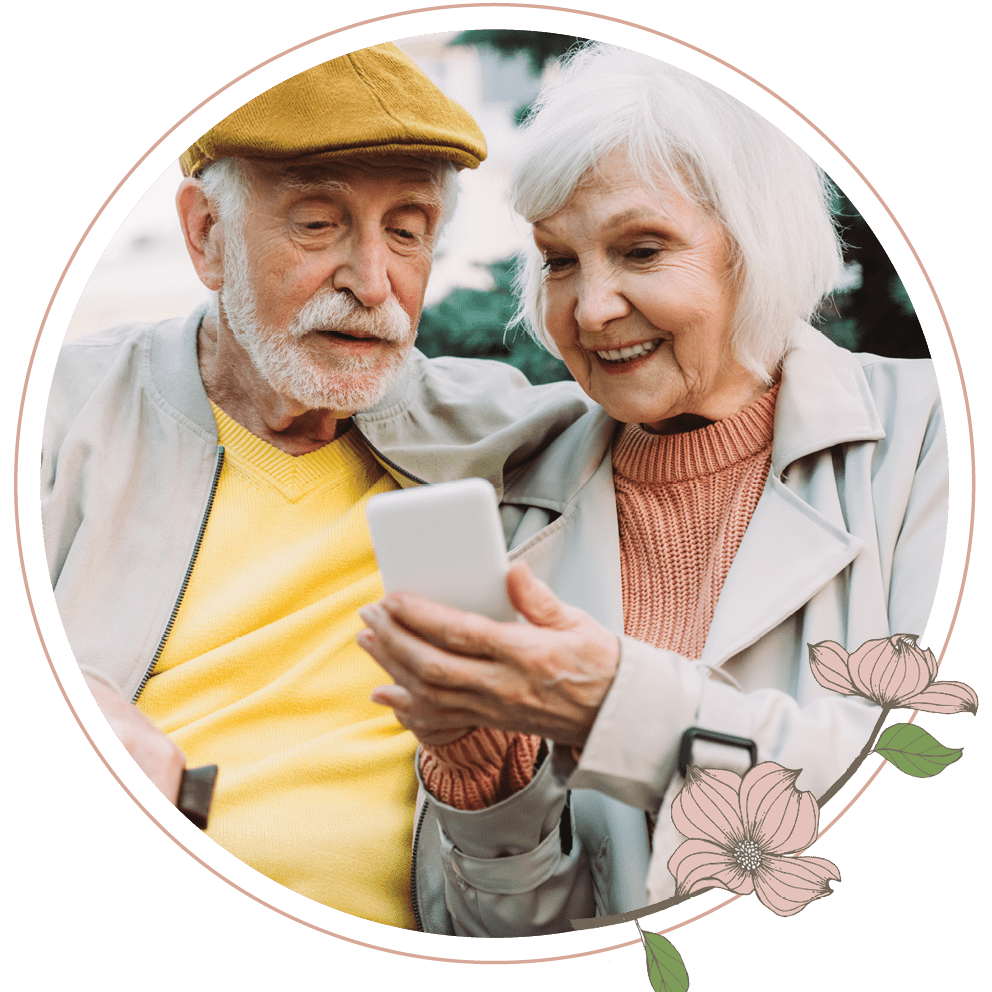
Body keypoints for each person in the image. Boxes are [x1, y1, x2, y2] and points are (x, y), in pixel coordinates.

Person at [358, 43, 949, 935]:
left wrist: (616, 703)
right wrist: (493, 793)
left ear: (757, 249)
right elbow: (512, 943)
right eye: (559, 260)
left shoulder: (937, 441)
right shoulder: (515, 510)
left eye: (641, 249)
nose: (591, 308)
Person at [41, 44, 593, 932]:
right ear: (205, 236)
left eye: (407, 230)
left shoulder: (505, 437)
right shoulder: (58, 415)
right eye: (318, 224)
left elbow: (714, 391)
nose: (373, 283)